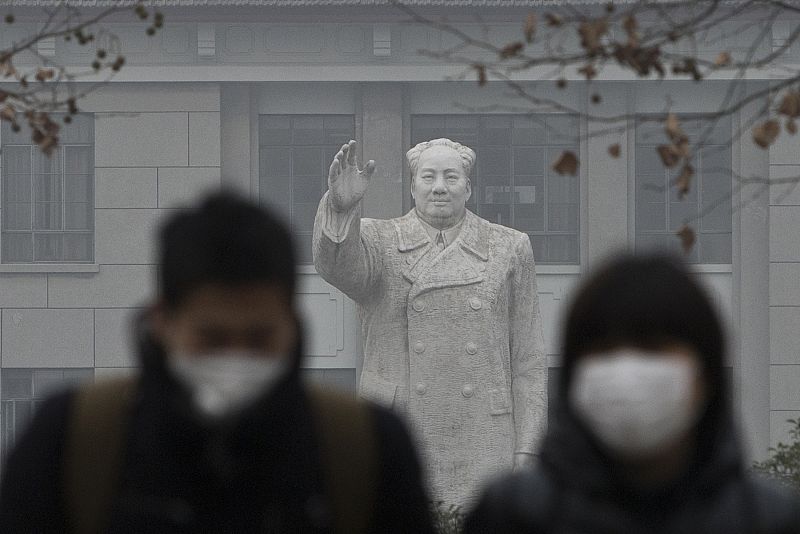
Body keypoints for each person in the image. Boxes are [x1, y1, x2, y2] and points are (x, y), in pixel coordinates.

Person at [0, 191, 436, 533]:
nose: (236, 355)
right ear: (162, 321)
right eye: (212, 337)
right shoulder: (73, 439)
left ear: (292, 323)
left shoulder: (366, 447)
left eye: (259, 337)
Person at [463, 254, 800, 534]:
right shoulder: (512, 516)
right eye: (605, 350)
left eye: (653, 348)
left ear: (707, 373)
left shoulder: (770, 521)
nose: (627, 369)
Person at [312, 138, 547, 507]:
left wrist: (528, 450)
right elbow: (336, 267)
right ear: (413, 186)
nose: (439, 186)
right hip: (396, 432)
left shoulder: (509, 247)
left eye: (451, 177)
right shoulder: (377, 240)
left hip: (483, 434)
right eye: (429, 176)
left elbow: (528, 362)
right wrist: (341, 208)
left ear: (468, 188)